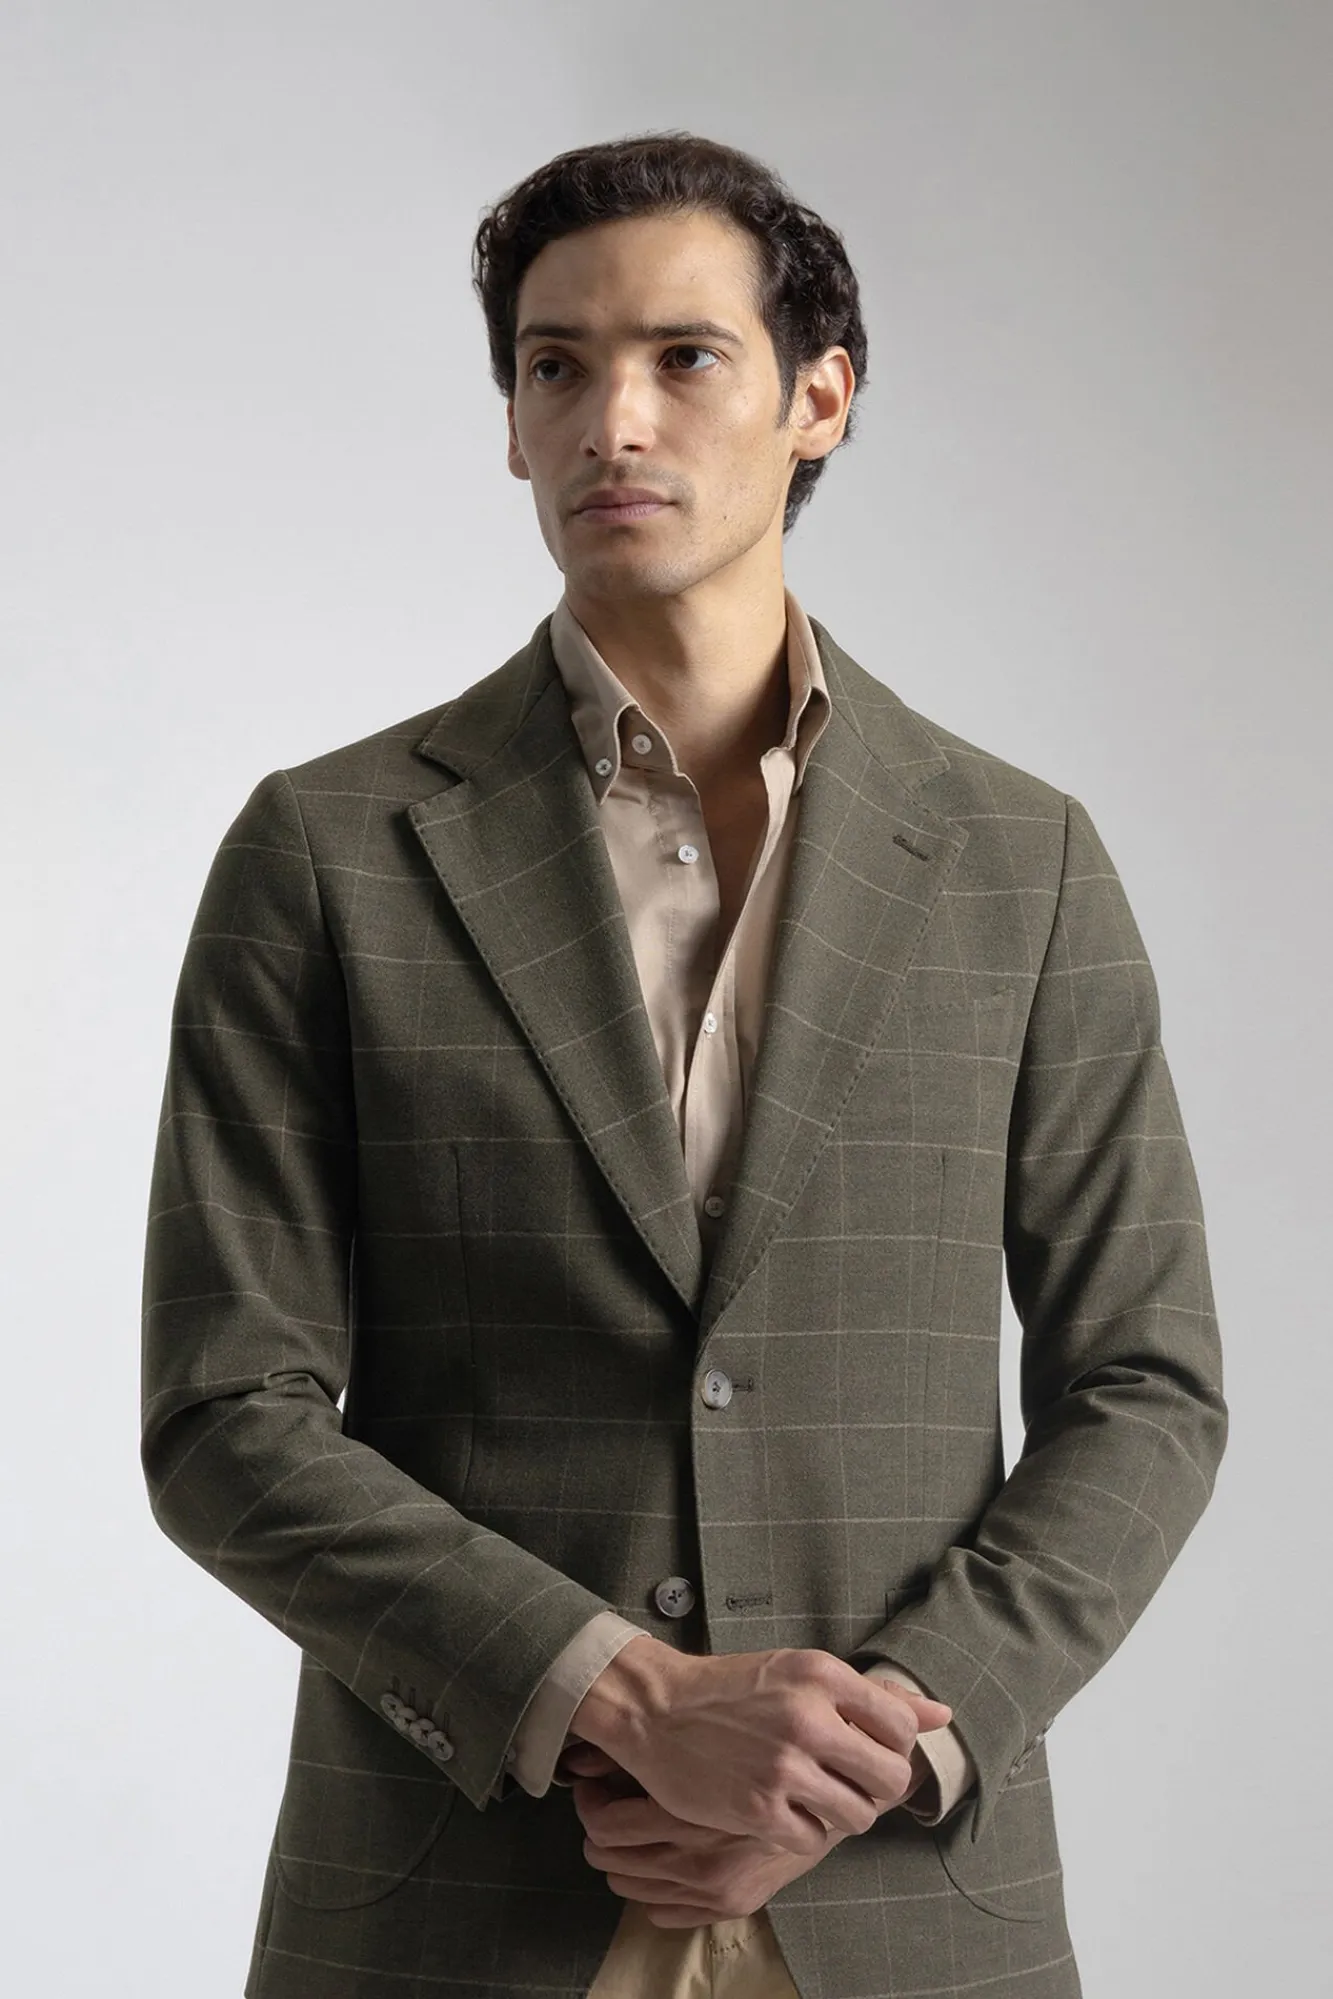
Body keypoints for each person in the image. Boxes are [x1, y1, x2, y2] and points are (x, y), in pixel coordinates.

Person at [140, 130, 1227, 1999]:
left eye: (682, 357)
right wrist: (619, 1695)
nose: (610, 421)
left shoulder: (1019, 861)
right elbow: (225, 1412)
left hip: (898, 1903)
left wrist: (880, 1733)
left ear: (821, 399)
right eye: (554, 366)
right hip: (460, 1910)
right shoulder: (327, 852)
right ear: (510, 423)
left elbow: (1148, 1386)